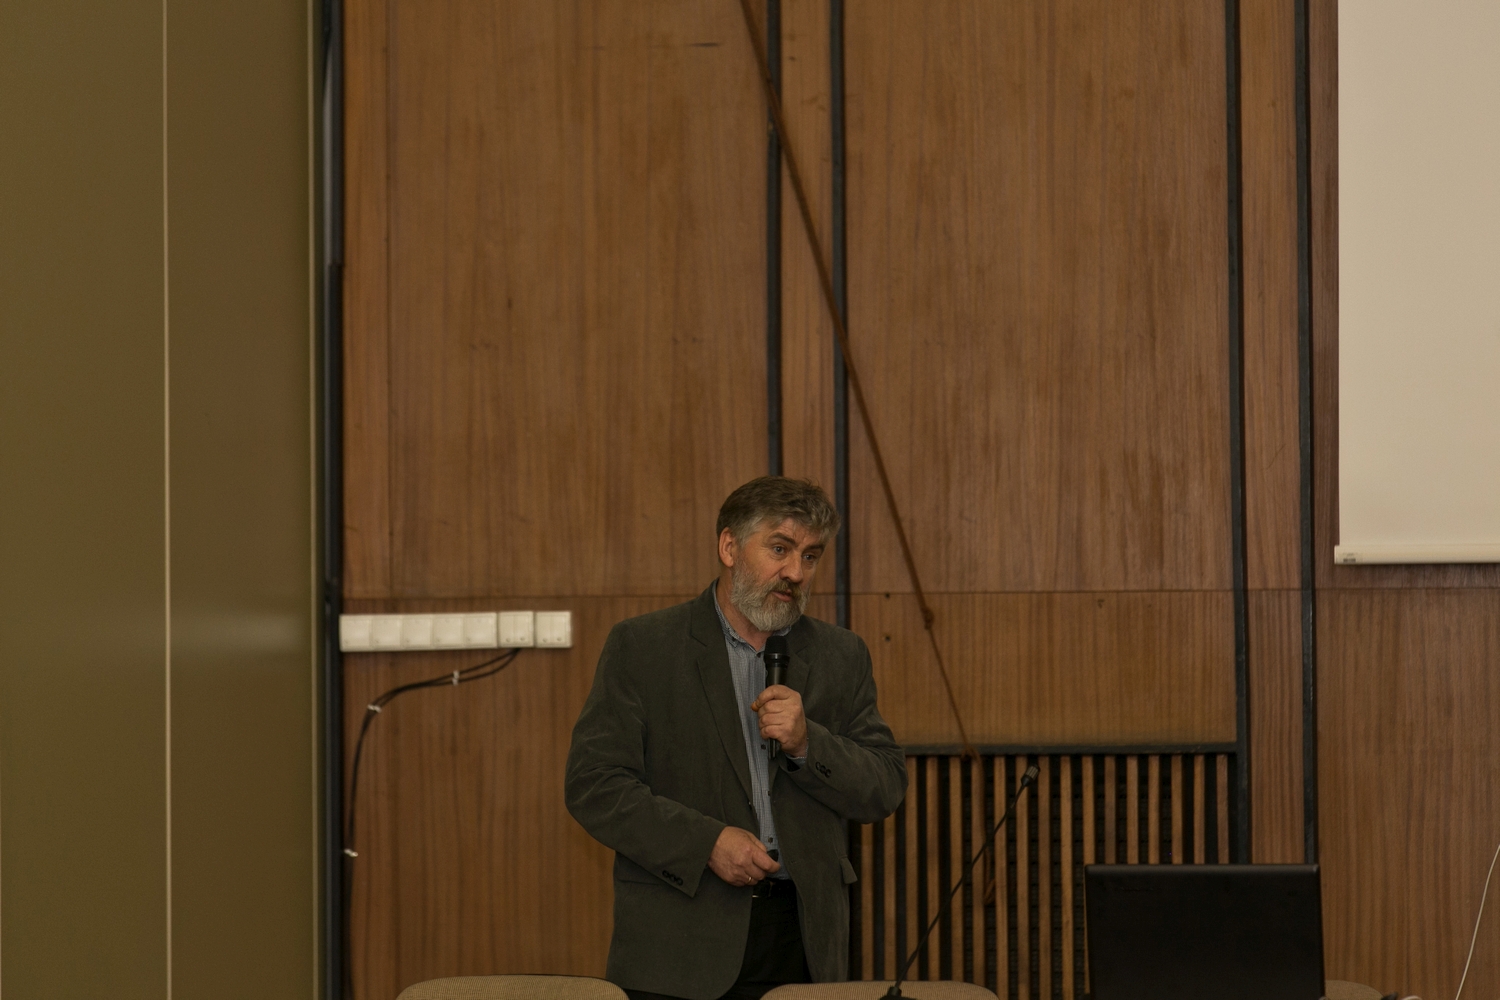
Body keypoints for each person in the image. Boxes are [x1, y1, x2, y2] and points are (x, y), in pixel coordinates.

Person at [565, 476, 907, 1000]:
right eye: (780, 549)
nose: (796, 573)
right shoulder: (644, 647)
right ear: (729, 547)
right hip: (679, 943)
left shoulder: (842, 655)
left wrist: (808, 745)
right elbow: (595, 785)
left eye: (811, 556)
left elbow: (885, 786)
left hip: (802, 942)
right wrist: (706, 843)